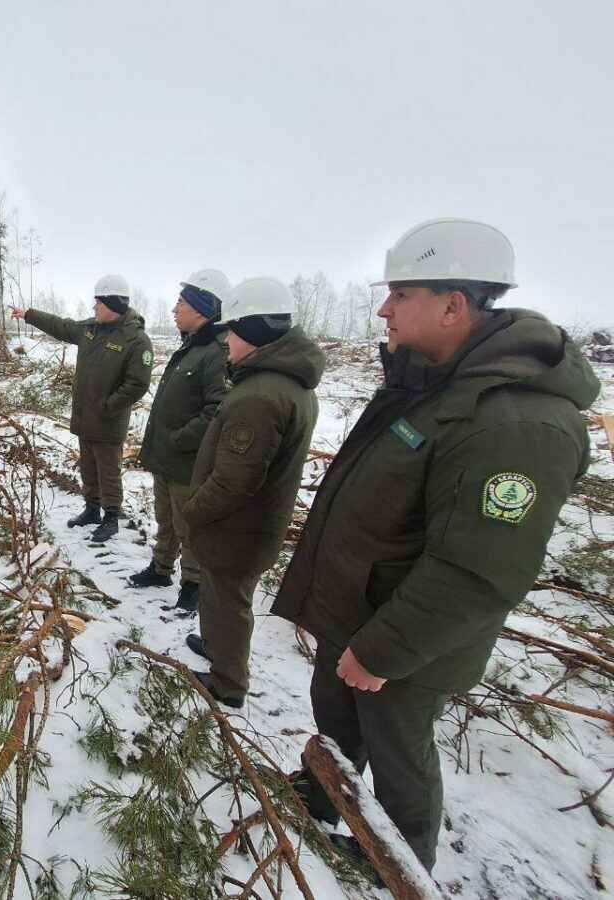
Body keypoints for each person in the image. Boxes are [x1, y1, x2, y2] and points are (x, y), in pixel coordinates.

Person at [273, 218, 599, 873]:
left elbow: (480, 570)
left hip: (406, 640)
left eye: (400, 294)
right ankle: (322, 793)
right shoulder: (434, 384)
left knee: (396, 745)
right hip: (361, 609)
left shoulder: (516, 421)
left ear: (453, 305)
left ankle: (396, 861)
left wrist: (383, 647)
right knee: (335, 712)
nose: (383, 309)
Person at [181, 277, 324, 707]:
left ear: (255, 333)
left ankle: (227, 683)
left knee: (228, 601)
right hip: (252, 524)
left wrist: (192, 510)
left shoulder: (259, 396)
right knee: (221, 597)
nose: (225, 340)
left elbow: (233, 481)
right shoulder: (286, 384)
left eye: (232, 330)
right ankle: (217, 647)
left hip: (237, 529)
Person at [11, 274, 154, 542]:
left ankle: (111, 517)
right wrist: (29, 314)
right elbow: (61, 326)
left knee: (108, 471)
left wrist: (108, 406)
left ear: (112, 305)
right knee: (88, 468)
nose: (94, 308)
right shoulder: (91, 329)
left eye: (98, 303)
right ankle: (91, 510)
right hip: (86, 417)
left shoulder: (136, 340)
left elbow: (137, 384)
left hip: (108, 420)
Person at [131, 269, 231, 612]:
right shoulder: (192, 348)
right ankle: (160, 568)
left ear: (202, 309)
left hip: (188, 461)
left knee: (189, 526)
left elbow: (218, 409)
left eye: (181, 304)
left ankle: (193, 584)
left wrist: (178, 439)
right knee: (165, 520)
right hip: (167, 458)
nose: (174, 310)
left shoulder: (217, 351)